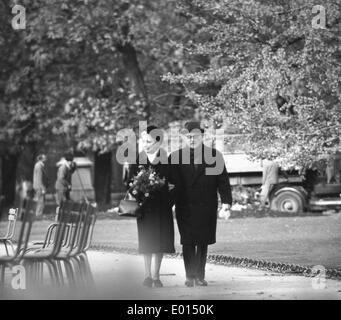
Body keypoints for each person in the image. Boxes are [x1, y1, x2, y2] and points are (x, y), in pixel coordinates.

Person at [170, 121, 232, 287]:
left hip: (207, 206)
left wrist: (226, 202)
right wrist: (166, 203)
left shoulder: (214, 156)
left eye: (195, 136)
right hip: (185, 206)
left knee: (202, 241)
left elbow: (223, 181)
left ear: (202, 136)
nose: (192, 139)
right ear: (184, 137)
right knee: (188, 241)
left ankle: (200, 276)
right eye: (188, 136)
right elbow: (169, 183)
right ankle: (190, 276)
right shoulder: (175, 157)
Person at [128, 125, 175, 288]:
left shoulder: (167, 161)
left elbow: (173, 184)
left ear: (157, 142)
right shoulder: (136, 160)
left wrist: (168, 200)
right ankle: (147, 275)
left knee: (160, 242)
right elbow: (128, 183)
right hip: (144, 208)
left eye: (147, 141)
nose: (144, 143)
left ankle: (156, 275)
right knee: (147, 241)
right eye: (143, 140)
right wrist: (138, 192)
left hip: (162, 208)